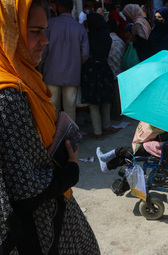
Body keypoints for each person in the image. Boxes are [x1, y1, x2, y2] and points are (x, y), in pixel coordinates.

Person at [0, 0, 100, 253]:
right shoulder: (10, 96)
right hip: (39, 226)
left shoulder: (26, 78)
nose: (45, 40)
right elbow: (27, 190)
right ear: (9, 32)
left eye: (44, 30)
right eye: (34, 32)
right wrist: (71, 169)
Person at [40, 0, 89, 122]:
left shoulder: (50, 24)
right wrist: (75, 63)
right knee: (70, 109)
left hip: (51, 73)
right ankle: (70, 138)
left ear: (60, 7)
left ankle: (54, 137)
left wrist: (42, 67)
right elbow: (85, 53)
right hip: (72, 75)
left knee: (53, 108)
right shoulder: (80, 28)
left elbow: (43, 50)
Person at [81, 13, 117, 140]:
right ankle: (107, 126)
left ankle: (98, 132)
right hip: (104, 68)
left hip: (91, 70)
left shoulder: (88, 36)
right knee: (106, 100)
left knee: (93, 103)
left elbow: (84, 53)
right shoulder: (107, 37)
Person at [96, 122, 168, 173]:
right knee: (133, 155)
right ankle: (108, 165)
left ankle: (113, 154)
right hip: (164, 145)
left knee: (135, 151)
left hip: (164, 148)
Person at [107, 20, 126, 119]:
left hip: (109, 72)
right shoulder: (121, 41)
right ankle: (119, 114)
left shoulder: (106, 40)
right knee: (118, 95)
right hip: (119, 71)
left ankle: (112, 114)